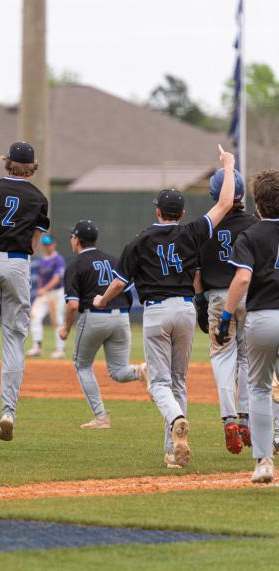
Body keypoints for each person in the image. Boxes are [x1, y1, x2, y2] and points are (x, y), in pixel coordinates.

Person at [93, 145, 235, 469]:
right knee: (178, 381)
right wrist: (229, 165)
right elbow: (225, 203)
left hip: (156, 312)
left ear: (157, 212)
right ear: (181, 213)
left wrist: (101, 299)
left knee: (159, 383)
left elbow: (119, 282)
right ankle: (173, 453)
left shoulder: (139, 241)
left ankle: (176, 419)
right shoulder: (190, 233)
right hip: (185, 309)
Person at [0, 141, 50, 441]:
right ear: (32, 167)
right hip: (18, 264)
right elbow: (33, 243)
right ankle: (8, 412)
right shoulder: (38, 198)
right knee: (15, 338)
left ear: (7, 162)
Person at [215, 169, 279, 483]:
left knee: (259, 388)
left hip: (263, 316)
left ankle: (264, 462)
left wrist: (226, 317)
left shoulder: (251, 234)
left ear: (259, 205)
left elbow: (242, 278)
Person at [58, 220, 146, 429]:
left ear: (77, 240)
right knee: (118, 371)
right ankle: (142, 370)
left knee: (82, 365)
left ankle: (101, 418)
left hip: (95, 316)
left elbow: (72, 305)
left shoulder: (75, 264)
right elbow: (125, 288)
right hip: (121, 317)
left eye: (72, 236)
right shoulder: (113, 260)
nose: (71, 239)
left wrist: (65, 328)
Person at [194, 168, 258, 454]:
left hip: (218, 298)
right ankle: (246, 417)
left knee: (222, 357)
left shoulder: (204, 226)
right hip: (250, 295)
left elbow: (196, 272)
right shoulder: (255, 224)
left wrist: (198, 301)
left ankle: (229, 418)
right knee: (246, 358)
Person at [27, 234, 67, 359]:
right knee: (34, 316)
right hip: (44, 293)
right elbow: (41, 278)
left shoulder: (58, 259)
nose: (47, 246)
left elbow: (57, 278)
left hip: (57, 293)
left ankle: (60, 349)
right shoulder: (42, 260)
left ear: (54, 244)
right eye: (45, 244)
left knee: (57, 321)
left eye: (49, 244)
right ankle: (37, 346)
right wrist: (40, 288)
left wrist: (43, 289)